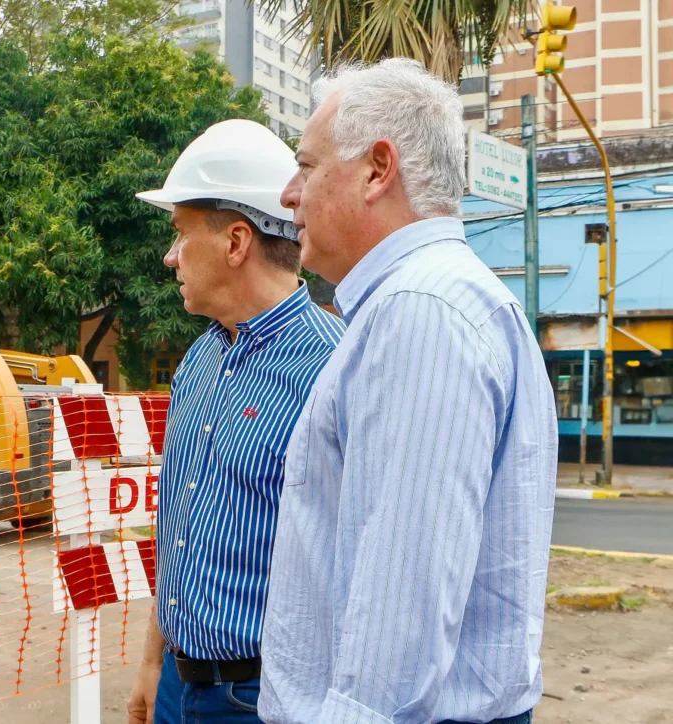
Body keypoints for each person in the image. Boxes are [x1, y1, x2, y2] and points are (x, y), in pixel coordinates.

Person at [258, 59, 558, 724]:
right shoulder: (431, 303)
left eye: (306, 167)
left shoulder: (422, 312)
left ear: (376, 169)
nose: (288, 194)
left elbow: (398, 624)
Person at [127, 119, 345, 724]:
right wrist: (153, 664)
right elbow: (177, 523)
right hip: (178, 681)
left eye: (180, 234)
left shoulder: (335, 367)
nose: (170, 257)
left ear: (235, 242)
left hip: (267, 698)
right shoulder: (199, 359)